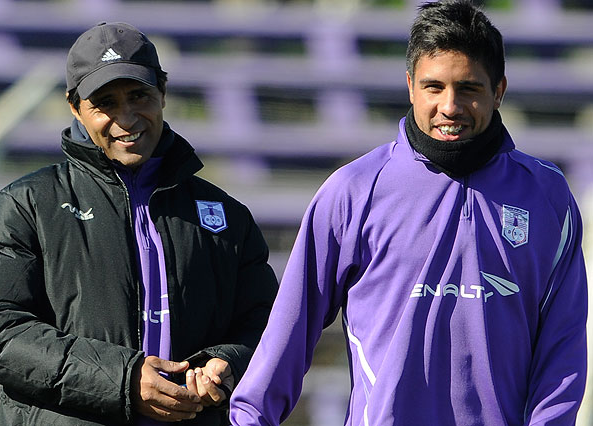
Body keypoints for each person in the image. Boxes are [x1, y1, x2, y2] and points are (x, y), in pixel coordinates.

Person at [229, 1, 588, 425]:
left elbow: (562, 351)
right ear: (410, 86)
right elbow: (287, 334)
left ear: (499, 89)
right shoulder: (354, 191)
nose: (450, 106)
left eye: (469, 88)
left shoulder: (546, 195)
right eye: (433, 87)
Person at [0, 22, 278, 425]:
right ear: (75, 108)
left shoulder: (226, 214)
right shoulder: (25, 206)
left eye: (139, 96)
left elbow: (266, 324)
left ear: (162, 93)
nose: (126, 118)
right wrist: (123, 382)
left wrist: (226, 362)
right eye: (105, 102)